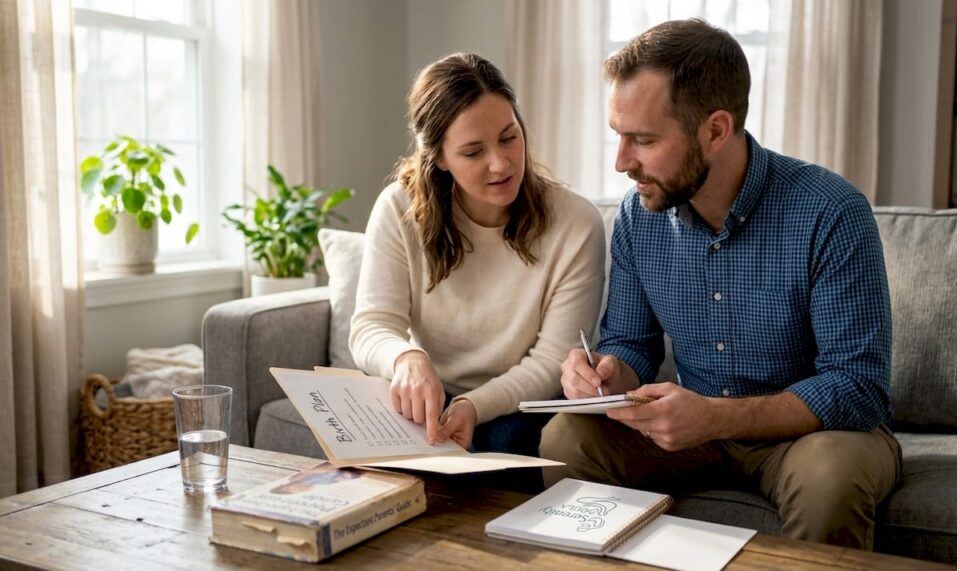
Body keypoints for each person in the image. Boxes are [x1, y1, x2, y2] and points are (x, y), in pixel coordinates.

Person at [540, 20, 901, 550]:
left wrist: (712, 417)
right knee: (566, 436)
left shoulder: (830, 211)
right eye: (618, 135)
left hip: (811, 438)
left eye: (642, 140)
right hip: (690, 437)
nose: (621, 162)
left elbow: (858, 386)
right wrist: (609, 373)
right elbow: (631, 342)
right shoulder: (640, 220)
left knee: (831, 477)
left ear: (715, 130)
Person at [350, 53, 605, 458]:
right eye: (472, 152)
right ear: (438, 157)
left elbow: (551, 360)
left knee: (506, 441)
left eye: (509, 137)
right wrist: (407, 358)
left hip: (520, 403)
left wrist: (473, 406)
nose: (500, 164)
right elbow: (371, 327)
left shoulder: (576, 223)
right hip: (429, 394)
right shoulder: (399, 209)